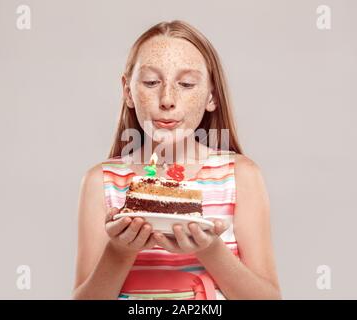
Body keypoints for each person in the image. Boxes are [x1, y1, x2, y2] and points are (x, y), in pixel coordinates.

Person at [72, 20, 281, 300]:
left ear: (211, 95)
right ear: (127, 91)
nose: (167, 99)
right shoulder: (101, 182)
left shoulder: (240, 176)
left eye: (186, 84)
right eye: (150, 82)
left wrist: (210, 249)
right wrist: (120, 251)